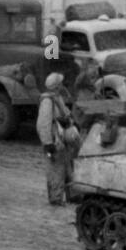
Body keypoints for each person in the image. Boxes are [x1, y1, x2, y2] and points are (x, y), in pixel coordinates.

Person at [36, 72, 76, 206]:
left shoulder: (57, 98)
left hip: (62, 141)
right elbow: (43, 123)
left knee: (66, 169)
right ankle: (55, 199)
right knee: (55, 171)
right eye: (61, 83)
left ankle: (68, 197)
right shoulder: (47, 101)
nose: (63, 85)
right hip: (54, 142)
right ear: (57, 86)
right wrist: (48, 143)